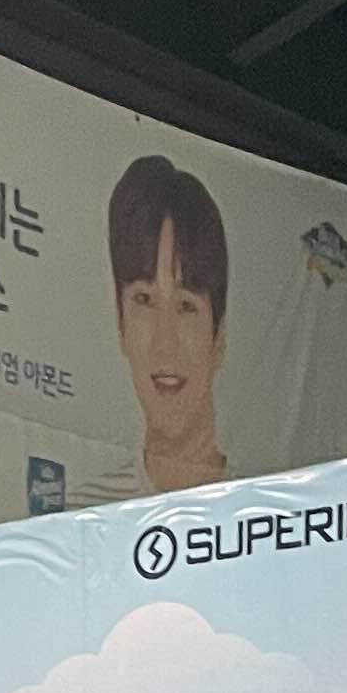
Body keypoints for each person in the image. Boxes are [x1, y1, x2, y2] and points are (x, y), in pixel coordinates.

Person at [108, 155, 231, 492]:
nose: (165, 343)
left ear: (218, 335)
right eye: (144, 299)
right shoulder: (81, 510)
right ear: (120, 321)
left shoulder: (265, 509)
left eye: (186, 306)